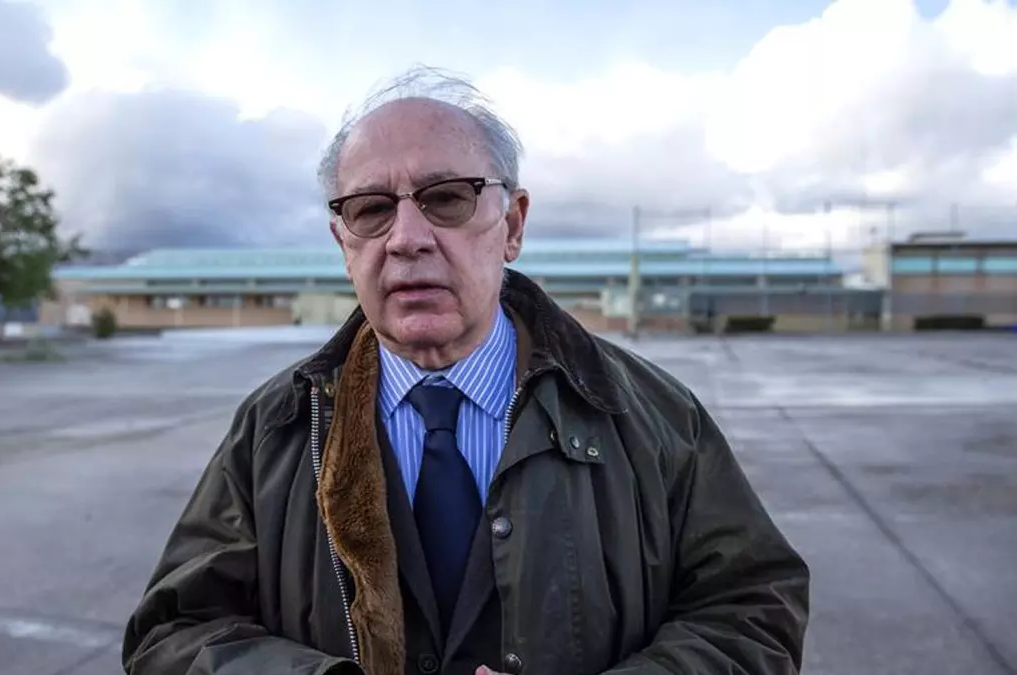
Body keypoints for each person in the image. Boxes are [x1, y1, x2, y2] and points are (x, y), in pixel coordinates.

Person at [122, 66, 810, 675]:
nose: (407, 239)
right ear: (343, 242)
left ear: (513, 224)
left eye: (447, 198)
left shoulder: (653, 416)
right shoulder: (275, 427)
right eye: (371, 209)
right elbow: (173, 633)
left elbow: (753, 610)